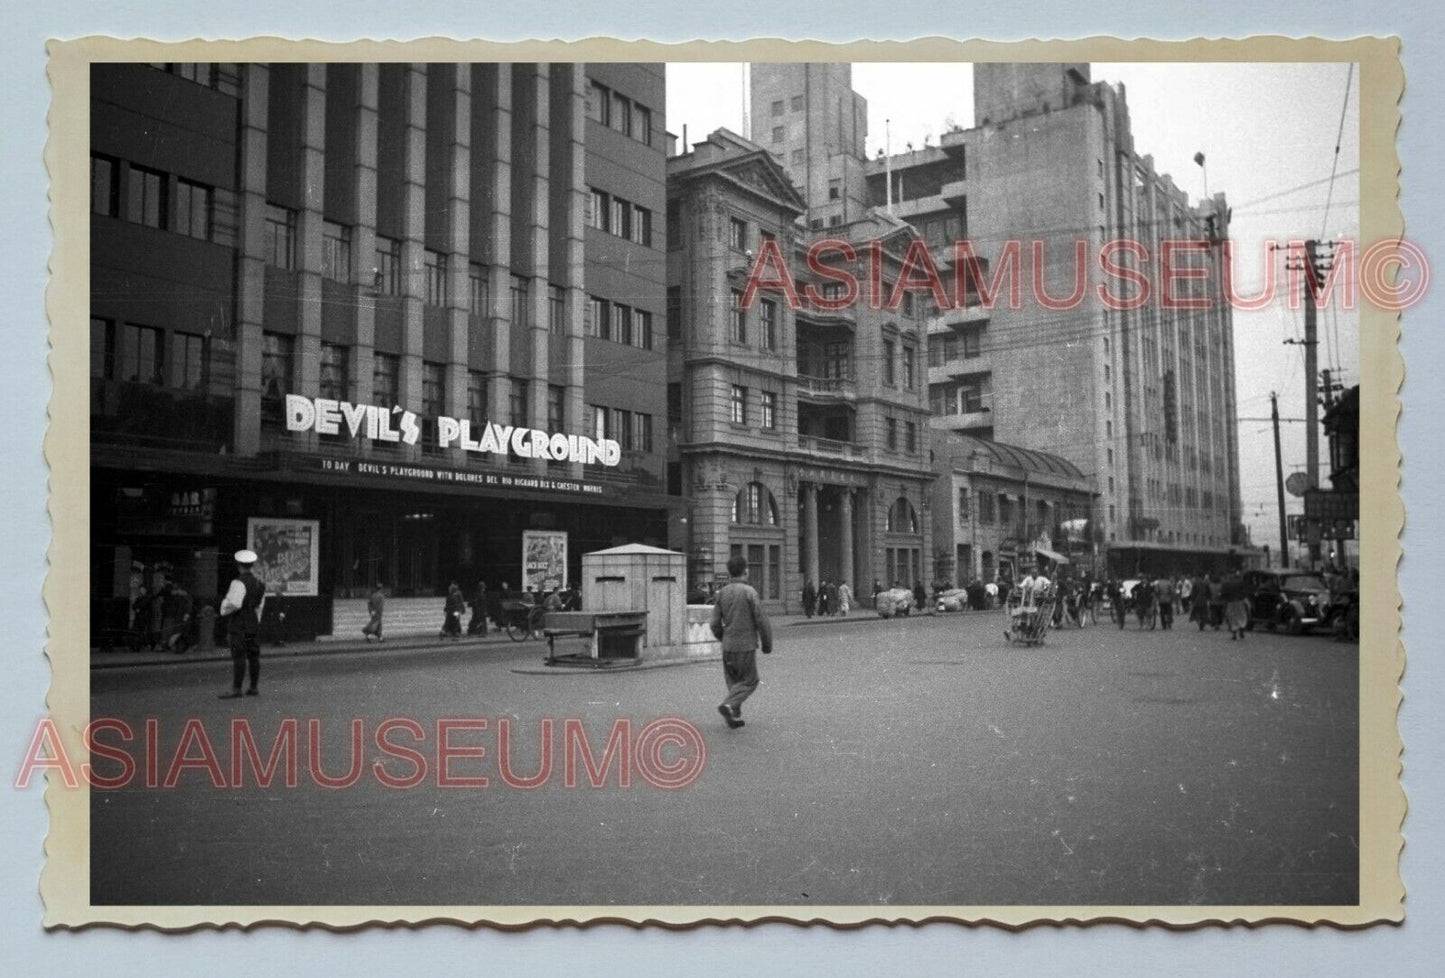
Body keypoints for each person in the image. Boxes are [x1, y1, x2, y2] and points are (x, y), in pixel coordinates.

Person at [709, 553, 774, 730]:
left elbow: (714, 623)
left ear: (730, 573)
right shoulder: (750, 592)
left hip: (727, 646)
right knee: (750, 680)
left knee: (734, 681)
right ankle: (729, 706)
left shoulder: (722, 593)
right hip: (745, 645)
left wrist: (723, 637)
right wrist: (767, 644)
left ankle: (732, 715)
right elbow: (761, 620)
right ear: (746, 571)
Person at [217, 549, 266, 699]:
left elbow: (235, 603)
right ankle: (253, 687)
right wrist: (255, 621)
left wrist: (224, 606)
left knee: (238, 655)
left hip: (239, 621)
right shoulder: (260, 583)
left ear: (238, 565)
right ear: (251, 565)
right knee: (253, 655)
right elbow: (260, 606)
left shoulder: (237, 582)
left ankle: (237, 688)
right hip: (252, 620)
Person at [160, 578, 195, 653]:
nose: (176, 592)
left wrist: (186, 615)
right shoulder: (182, 597)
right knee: (181, 632)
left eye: (177, 590)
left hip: (182, 617)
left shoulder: (186, 598)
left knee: (180, 632)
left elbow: (187, 607)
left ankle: (175, 646)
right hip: (179, 617)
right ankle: (182, 646)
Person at [1221, 572, 1250, 640]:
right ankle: (1242, 628)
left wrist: (1225, 599)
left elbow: (1224, 593)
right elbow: (1245, 592)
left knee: (1232, 617)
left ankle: (1234, 634)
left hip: (1230, 602)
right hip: (1240, 601)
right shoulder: (1241, 582)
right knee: (1242, 616)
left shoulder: (1227, 583)